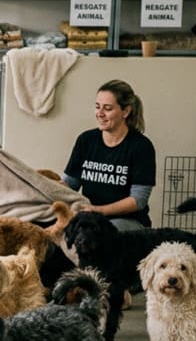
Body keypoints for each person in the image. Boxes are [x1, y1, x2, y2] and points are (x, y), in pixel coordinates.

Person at [62, 79, 156, 230]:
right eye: (97, 107)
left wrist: (99, 210)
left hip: (129, 222)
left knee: (101, 235)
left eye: (107, 108)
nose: (100, 113)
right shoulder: (86, 140)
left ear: (126, 111)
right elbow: (69, 184)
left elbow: (138, 200)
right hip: (90, 219)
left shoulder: (141, 147)